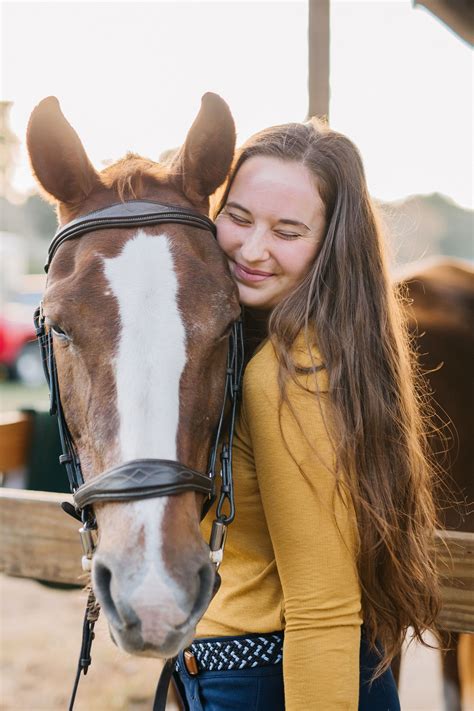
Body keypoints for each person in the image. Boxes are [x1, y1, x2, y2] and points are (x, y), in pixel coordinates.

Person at [172, 119, 440, 710]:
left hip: (274, 687)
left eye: (287, 231)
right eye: (238, 217)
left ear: (329, 245)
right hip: (241, 680)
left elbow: (324, 607)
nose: (252, 249)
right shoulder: (264, 349)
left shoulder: (289, 374)